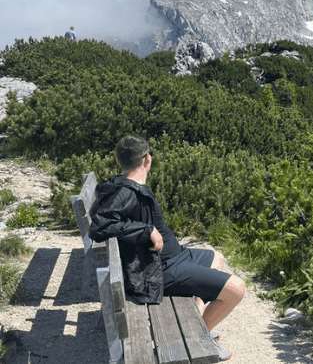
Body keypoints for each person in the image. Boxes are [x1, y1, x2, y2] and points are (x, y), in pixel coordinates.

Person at [89, 135, 244, 361]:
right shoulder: (126, 192)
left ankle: (199, 327)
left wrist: (146, 229)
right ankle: (199, 340)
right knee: (237, 289)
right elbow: (100, 225)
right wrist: (146, 230)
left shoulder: (128, 186)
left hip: (173, 257)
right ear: (146, 160)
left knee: (216, 258)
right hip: (160, 269)